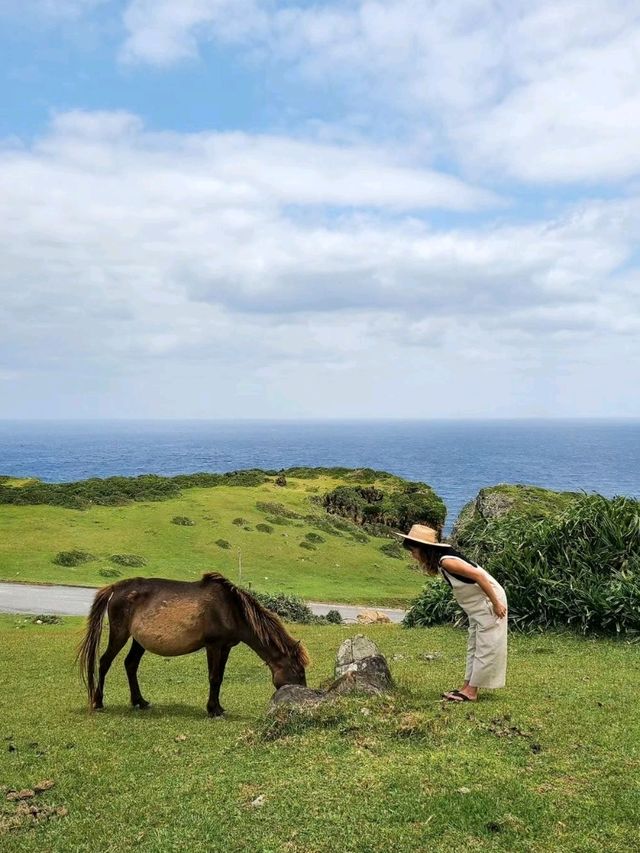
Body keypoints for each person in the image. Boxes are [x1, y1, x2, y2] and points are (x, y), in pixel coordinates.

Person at [398, 523, 508, 702]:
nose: (412, 555)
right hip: (479, 605)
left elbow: (479, 576)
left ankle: (471, 692)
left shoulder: (447, 562)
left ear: (424, 549)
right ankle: (467, 686)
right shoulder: (442, 559)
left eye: (413, 550)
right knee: (474, 644)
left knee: (486, 645)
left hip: (489, 600)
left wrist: (496, 604)